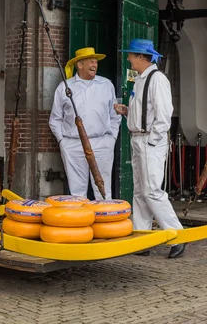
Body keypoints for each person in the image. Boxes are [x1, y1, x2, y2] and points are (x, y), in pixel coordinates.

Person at [113, 39, 185, 259]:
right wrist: (127, 111)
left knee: (152, 190)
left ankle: (177, 236)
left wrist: (152, 140)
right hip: (138, 139)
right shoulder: (140, 81)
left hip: (149, 141)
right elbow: (146, 112)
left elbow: (164, 116)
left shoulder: (157, 80)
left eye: (131, 56)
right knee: (139, 191)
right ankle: (143, 238)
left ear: (142, 57)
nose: (128, 59)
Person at [49, 47, 121, 200]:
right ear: (79, 65)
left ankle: (104, 222)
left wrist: (111, 138)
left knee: (103, 190)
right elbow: (55, 119)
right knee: (77, 192)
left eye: (95, 62)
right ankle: (79, 223)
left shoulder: (106, 85)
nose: (94, 65)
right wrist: (63, 141)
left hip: (102, 143)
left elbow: (115, 115)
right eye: (91, 62)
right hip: (73, 144)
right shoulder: (65, 87)